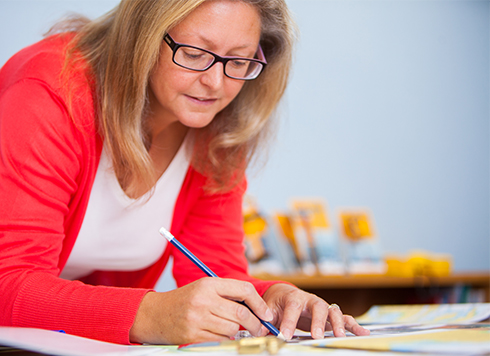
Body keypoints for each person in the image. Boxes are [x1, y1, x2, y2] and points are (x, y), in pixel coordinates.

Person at [0, 0, 370, 345]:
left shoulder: (217, 128)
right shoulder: (49, 92)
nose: (216, 84)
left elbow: (216, 275)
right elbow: (7, 282)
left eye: (239, 61)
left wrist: (271, 298)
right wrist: (150, 313)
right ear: (141, 36)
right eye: (194, 54)